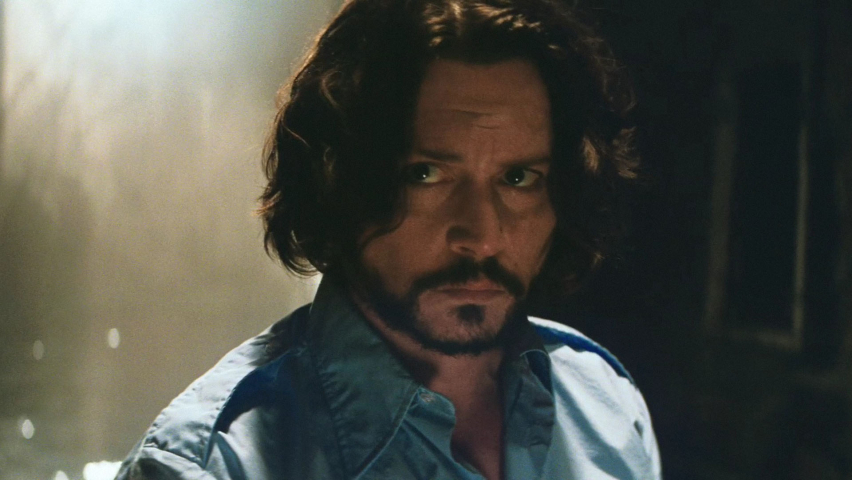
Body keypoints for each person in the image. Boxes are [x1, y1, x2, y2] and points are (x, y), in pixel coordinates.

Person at [116, 0, 662, 478]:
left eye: (517, 179)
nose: (482, 236)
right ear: (337, 179)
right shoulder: (211, 466)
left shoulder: (604, 404)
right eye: (426, 174)